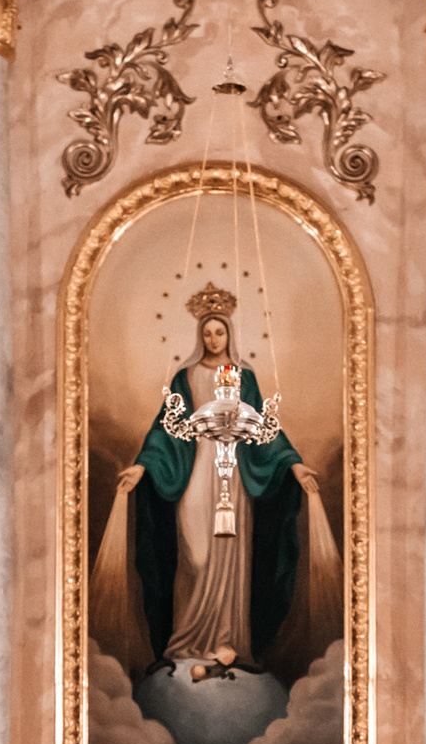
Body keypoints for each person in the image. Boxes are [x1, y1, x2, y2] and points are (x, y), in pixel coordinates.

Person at [90, 289, 342, 688]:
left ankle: (228, 642)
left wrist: (293, 466)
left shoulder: (246, 379)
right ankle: (185, 643)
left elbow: (264, 431)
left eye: (218, 333)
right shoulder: (184, 378)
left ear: (229, 334)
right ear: (199, 335)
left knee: (230, 556)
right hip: (193, 474)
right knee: (197, 555)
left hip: (233, 478)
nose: (212, 340)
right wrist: (141, 467)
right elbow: (164, 431)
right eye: (206, 333)